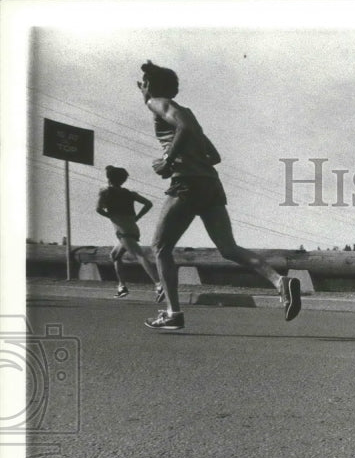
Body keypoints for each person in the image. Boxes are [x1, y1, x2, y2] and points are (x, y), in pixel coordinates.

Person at [137, 60, 301, 330]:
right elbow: (213, 155)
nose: (141, 88)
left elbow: (184, 126)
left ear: (151, 86)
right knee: (228, 248)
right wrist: (185, 159)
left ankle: (172, 313)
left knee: (160, 247)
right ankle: (279, 281)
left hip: (187, 185)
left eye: (143, 84)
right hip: (210, 185)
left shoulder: (156, 102)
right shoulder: (188, 113)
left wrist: (168, 160)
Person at [95, 165, 164, 300]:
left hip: (122, 230)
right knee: (115, 255)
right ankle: (122, 286)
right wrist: (137, 217)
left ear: (109, 178)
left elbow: (98, 209)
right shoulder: (130, 193)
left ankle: (159, 284)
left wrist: (111, 216)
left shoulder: (105, 192)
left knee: (139, 255)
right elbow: (148, 204)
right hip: (132, 227)